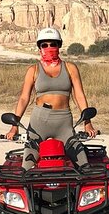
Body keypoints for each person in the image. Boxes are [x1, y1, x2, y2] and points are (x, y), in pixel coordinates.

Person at [5, 27, 97, 170]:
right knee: (27, 166)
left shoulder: (70, 68)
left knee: (83, 163)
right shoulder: (33, 70)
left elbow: (79, 95)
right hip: (39, 123)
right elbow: (24, 98)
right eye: (44, 45)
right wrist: (14, 126)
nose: (49, 48)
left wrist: (87, 123)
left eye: (53, 44)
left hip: (64, 122)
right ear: (39, 47)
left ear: (59, 45)